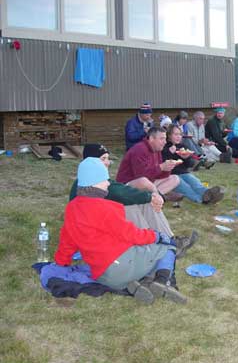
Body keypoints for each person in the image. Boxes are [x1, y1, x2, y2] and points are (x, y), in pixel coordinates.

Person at [55, 157, 187, 304]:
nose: (107, 183)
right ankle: (164, 282)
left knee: (139, 258)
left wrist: (61, 264)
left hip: (102, 275)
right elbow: (132, 235)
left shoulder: (71, 208)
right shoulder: (107, 208)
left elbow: (67, 242)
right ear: (96, 183)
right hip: (121, 264)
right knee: (167, 249)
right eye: (105, 180)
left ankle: (135, 285)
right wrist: (157, 236)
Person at [69, 144, 197, 258]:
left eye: (108, 158)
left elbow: (119, 189)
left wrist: (150, 197)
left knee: (141, 202)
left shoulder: (93, 175)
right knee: (130, 207)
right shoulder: (89, 181)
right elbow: (119, 192)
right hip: (93, 233)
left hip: (101, 222)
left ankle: (170, 241)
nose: (108, 163)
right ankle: (155, 246)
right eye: (103, 159)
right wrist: (151, 197)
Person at [116, 127, 183, 202]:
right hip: (127, 185)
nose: (165, 142)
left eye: (165, 139)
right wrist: (161, 167)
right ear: (151, 138)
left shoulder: (157, 150)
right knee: (144, 181)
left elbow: (158, 175)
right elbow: (141, 175)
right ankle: (159, 197)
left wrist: (167, 169)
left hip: (148, 182)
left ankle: (154, 198)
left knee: (175, 178)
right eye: (161, 139)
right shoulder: (140, 149)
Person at [162, 125, 224, 204]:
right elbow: (162, 162)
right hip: (171, 175)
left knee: (195, 182)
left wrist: (186, 157)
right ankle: (201, 200)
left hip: (183, 172)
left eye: (180, 134)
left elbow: (189, 165)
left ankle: (209, 194)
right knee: (186, 188)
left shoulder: (183, 147)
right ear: (169, 135)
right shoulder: (164, 147)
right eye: (176, 134)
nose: (178, 137)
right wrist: (169, 152)